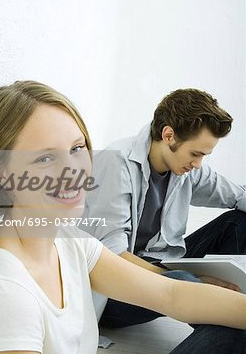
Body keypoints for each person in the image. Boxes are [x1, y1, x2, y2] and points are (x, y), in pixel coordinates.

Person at [0, 81, 246, 354]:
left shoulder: (71, 243)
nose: (73, 171)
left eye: (77, 148)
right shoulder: (3, 294)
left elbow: (171, 294)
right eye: (45, 158)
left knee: (230, 336)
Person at [81, 88, 246, 329]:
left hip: (156, 263)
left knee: (238, 223)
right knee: (185, 281)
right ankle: (219, 337)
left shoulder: (184, 169)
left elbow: (238, 195)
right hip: (112, 287)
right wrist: (192, 284)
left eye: (204, 156)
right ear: (169, 135)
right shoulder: (115, 164)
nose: (198, 164)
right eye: (195, 154)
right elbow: (113, 254)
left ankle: (221, 321)